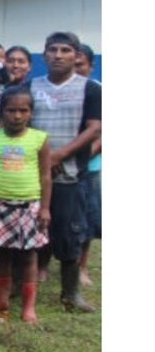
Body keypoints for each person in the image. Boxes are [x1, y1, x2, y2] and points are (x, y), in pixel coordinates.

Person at [29, 32, 101, 312]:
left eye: (65, 50)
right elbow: (22, 120)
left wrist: (59, 155)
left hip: (70, 173)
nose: (58, 55)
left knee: (71, 232)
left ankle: (71, 294)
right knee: (30, 231)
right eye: (52, 50)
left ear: (76, 55)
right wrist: (42, 157)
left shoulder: (90, 89)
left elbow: (94, 128)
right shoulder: (32, 86)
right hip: (32, 174)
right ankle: (21, 286)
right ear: (45, 55)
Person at [0, 89, 51, 324]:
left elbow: (45, 175)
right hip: (0, 204)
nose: (17, 116)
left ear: (31, 113)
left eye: (23, 110)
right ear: (2, 112)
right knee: (2, 254)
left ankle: (28, 305)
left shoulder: (39, 138)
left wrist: (45, 207)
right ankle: (0, 300)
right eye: (11, 110)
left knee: (29, 256)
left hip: (30, 205)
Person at [74, 44, 101, 286]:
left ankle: (82, 267)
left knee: (86, 218)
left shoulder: (97, 91)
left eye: (80, 65)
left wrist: (81, 158)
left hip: (89, 165)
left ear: (91, 67)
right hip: (60, 164)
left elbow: (101, 134)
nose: (75, 69)